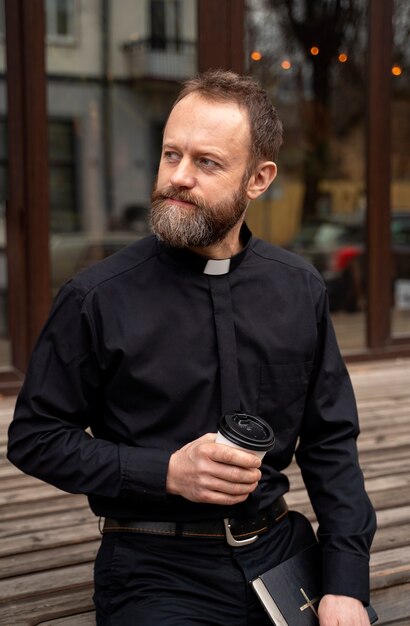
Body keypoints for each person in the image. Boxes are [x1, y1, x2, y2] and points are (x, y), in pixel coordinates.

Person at [8, 69, 376, 626]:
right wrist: (167, 472)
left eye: (206, 162)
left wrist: (347, 580)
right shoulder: (96, 297)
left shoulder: (298, 288)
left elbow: (330, 442)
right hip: (155, 569)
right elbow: (35, 439)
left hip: (280, 552)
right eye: (170, 154)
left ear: (259, 178)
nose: (178, 177)